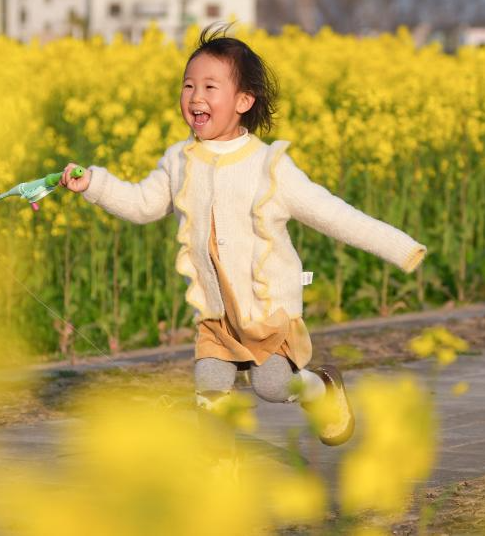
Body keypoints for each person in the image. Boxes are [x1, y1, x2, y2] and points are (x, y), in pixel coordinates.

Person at [61, 25, 426, 445]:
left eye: (209, 87)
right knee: (209, 391)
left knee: (273, 386)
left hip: (266, 312)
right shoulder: (179, 160)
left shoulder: (270, 167)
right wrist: (94, 184)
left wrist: (400, 247)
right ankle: (221, 469)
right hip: (216, 317)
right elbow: (142, 204)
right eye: (188, 85)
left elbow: (334, 215)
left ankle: (322, 388)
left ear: (243, 101)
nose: (195, 97)